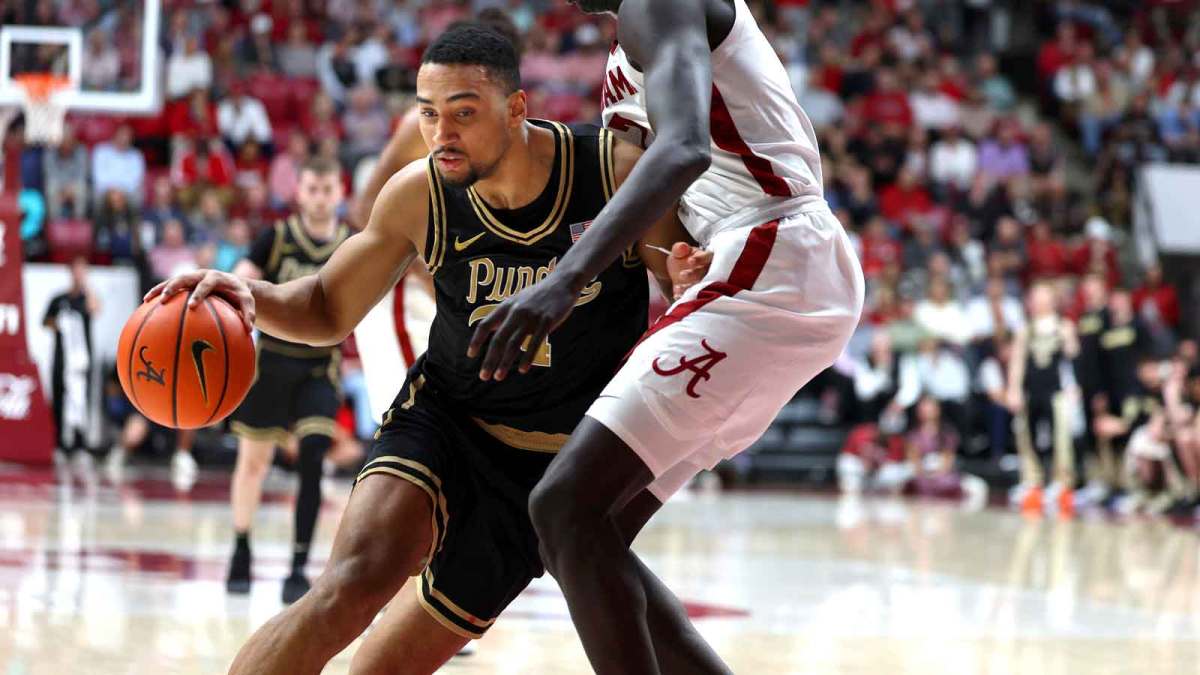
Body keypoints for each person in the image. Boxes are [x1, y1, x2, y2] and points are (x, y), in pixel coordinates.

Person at [147, 25, 703, 674]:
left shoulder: (610, 171)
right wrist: (249, 294)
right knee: (351, 584)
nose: (442, 134)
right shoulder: (421, 194)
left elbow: (678, 275)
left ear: (516, 108)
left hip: (545, 475)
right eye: (429, 113)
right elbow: (328, 305)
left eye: (464, 113)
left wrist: (691, 276)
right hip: (445, 418)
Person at [467, 1, 865, 672]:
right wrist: (678, 256)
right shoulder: (627, 47)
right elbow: (670, 194)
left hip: (773, 243)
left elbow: (684, 148)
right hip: (753, 260)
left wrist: (564, 281)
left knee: (565, 507)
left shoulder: (656, 1)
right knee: (585, 535)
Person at [223, 157, 352, 604]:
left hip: (320, 366)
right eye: (312, 189)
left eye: (327, 188)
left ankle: (298, 566)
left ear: (340, 192)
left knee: (314, 457)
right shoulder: (275, 238)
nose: (320, 197)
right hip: (272, 363)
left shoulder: (351, 244)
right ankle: (241, 547)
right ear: (299, 192)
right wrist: (241, 280)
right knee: (253, 462)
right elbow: (244, 274)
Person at [1006, 282, 1079, 514]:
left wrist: (1068, 338)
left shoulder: (1063, 325)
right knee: (1027, 437)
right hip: (1031, 391)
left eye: (1043, 298)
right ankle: (1032, 481)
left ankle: (1062, 482)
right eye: (1035, 298)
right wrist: (1013, 389)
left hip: (1056, 391)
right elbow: (1017, 361)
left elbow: (1073, 356)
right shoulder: (1025, 329)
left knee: (1061, 438)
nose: (1039, 303)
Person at [43, 256, 99, 468]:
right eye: (76, 270)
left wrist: (87, 287)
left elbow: (95, 309)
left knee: (81, 401)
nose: (79, 274)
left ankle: (80, 444)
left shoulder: (87, 298)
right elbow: (45, 321)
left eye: (83, 270)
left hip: (81, 360)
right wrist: (63, 325)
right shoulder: (59, 300)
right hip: (62, 358)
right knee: (59, 399)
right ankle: (59, 444)